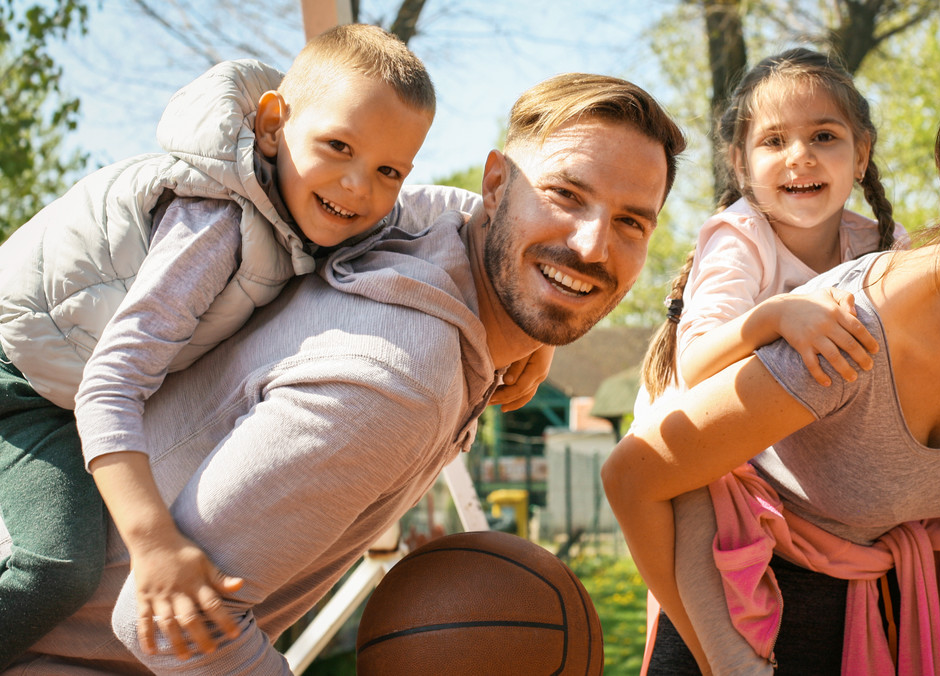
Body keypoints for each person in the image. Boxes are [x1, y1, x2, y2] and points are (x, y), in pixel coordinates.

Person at [1, 69, 686, 675]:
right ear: (498, 184)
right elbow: (165, 635)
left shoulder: (414, 229)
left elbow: (453, 208)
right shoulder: (396, 384)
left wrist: (544, 321)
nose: (595, 244)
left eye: (632, 222)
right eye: (566, 194)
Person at [604, 45, 940, 676]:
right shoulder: (838, 318)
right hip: (746, 567)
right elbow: (645, 459)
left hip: (881, 603)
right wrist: (711, 653)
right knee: (705, 488)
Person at [0, 23, 451, 667]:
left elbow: (434, 214)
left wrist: (529, 327)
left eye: (388, 170)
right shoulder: (214, 223)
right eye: (337, 146)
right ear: (272, 125)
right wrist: (155, 543)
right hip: (24, 377)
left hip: (70, 368)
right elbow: (109, 385)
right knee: (58, 566)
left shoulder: (311, 207)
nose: (359, 186)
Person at [632, 47, 907, 671]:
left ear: (860, 155)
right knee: (698, 483)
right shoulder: (740, 235)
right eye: (775, 140)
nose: (800, 155)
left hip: (808, 444)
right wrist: (778, 315)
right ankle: (727, 656)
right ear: (741, 163)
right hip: (703, 435)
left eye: (824, 136)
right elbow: (697, 362)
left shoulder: (883, 247)